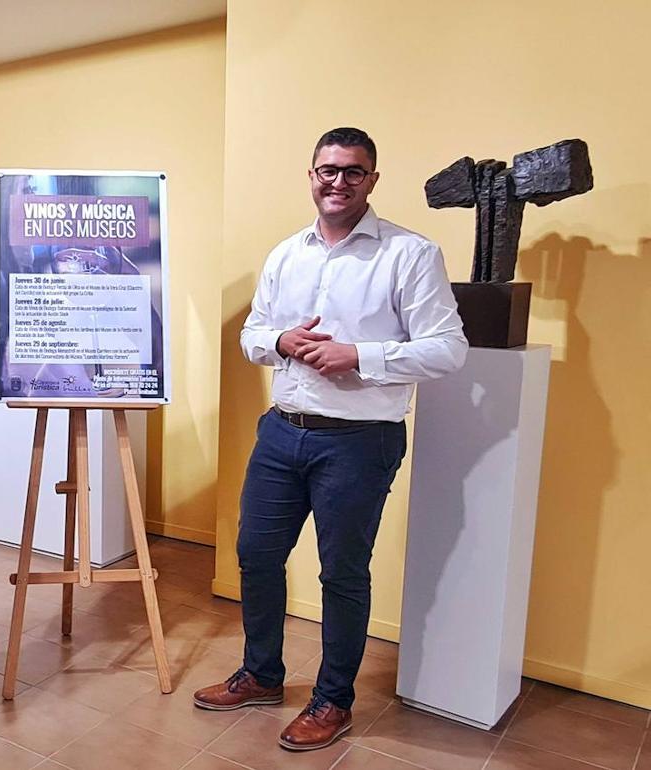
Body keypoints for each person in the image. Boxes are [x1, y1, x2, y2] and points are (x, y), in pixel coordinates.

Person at [193, 128, 467, 751]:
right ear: (310, 175)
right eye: (327, 170)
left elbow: (449, 348)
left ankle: (332, 700)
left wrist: (360, 355)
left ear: (373, 179)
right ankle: (262, 675)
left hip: (360, 441)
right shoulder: (287, 254)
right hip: (282, 431)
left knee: (342, 572)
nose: (337, 181)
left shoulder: (409, 254)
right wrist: (282, 342)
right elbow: (253, 335)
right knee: (257, 557)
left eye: (352, 171)